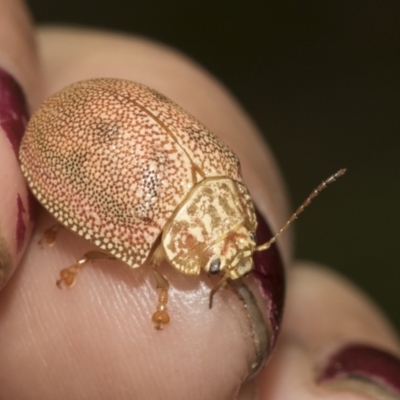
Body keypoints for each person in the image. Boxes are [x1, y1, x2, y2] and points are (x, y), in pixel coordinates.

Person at [0, 1, 399, 399]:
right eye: (217, 264)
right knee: (135, 250)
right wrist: (98, 268)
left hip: (91, 113)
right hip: (65, 134)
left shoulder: (217, 171)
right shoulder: (151, 215)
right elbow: (117, 242)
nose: (237, 265)